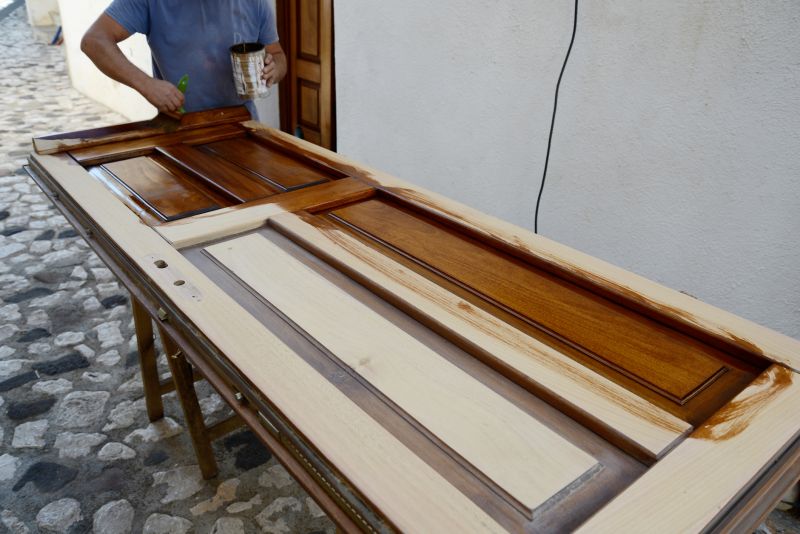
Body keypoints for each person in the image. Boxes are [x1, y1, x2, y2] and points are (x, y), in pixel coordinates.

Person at [80, 0, 287, 118]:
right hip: (181, 126)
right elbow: (94, 41)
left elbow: (277, 55)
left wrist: (274, 69)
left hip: (242, 122)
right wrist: (147, 85)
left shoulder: (254, 3)